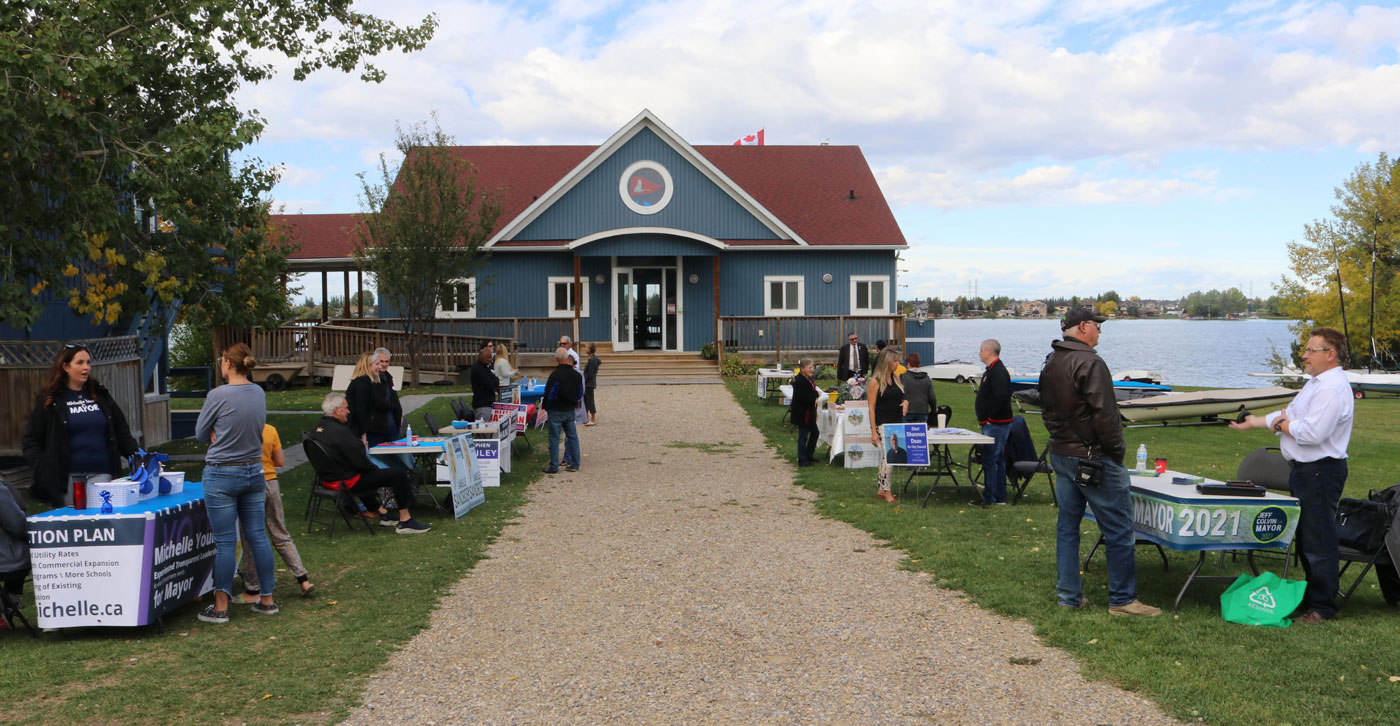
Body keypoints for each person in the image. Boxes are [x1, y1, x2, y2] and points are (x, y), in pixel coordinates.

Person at [1229, 327, 1354, 623]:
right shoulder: (1315, 383)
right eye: (1306, 350)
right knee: (1307, 538)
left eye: (1311, 350)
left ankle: (1323, 608)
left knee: (1318, 539)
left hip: (1321, 471)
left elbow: (1310, 432)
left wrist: (1283, 425)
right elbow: (1290, 414)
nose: (1304, 355)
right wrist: (1255, 422)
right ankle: (1311, 600)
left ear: (1330, 354)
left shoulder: (1331, 388)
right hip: (1305, 472)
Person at [1040, 310, 1160, 616]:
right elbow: (1106, 416)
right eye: (1098, 326)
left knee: (1068, 527)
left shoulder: (1052, 360)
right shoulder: (1090, 362)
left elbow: (1046, 409)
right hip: (1094, 457)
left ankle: (1069, 596)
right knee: (1119, 529)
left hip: (1062, 454)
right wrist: (1116, 452)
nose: (1100, 332)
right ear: (1083, 327)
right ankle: (1122, 600)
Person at [194, 343, 279, 623]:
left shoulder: (217, 395)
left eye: (221, 361)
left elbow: (199, 432)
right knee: (257, 535)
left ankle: (221, 607)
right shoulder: (258, 392)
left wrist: (215, 433)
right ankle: (266, 600)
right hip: (254, 471)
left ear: (228, 365)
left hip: (222, 473)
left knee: (225, 542)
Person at [21, 343, 139, 507]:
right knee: (73, 527)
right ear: (66, 366)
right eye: (80, 363)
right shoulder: (51, 400)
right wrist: (44, 469)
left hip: (101, 474)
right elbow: (31, 441)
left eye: (88, 363)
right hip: (67, 478)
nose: (86, 367)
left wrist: (139, 457)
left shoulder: (100, 395)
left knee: (101, 525)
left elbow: (121, 432)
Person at [307, 393, 432, 535]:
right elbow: (360, 461)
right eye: (346, 408)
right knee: (397, 474)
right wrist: (374, 469)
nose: (348, 411)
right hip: (346, 482)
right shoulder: (341, 432)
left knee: (364, 474)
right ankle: (405, 521)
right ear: (336, 410)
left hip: (328, 480)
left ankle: (383, 513)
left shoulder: (316, 430)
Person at [238, 423, 314, 600]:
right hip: (271, 484)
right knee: (280, 533)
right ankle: (302, 578)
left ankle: (252, 587)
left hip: (249, 485)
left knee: (249, 536)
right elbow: (280, 461)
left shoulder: (238, 430)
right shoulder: (270, 430)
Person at [974, 339, 1014, 506]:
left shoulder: (998, 372)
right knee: (997, 459)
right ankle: (999, 496)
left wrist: (990, 419)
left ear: (989, 351)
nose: (979, 353)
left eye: (981, 350)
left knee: (990, 459)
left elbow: (1001, 397)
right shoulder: (990, 370)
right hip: (992, 423)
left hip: (997, 424)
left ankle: (989, 497)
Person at [866, 348, 906, 503]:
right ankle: (887, 490)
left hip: (896, 423)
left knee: (887, 460)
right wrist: (873, 431)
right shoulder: (875, 381)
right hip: (883, 424)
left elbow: (901, 396)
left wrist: (906, 402)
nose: (897, 364)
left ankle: (881, 489)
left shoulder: (896, 378)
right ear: (886, 362)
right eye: (895, 361)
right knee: (889, 459)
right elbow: (871, 407)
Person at [346, 348, 403, 448]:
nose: (382, 365)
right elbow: (362, 409)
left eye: (386, 361)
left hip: (391, 428)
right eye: (378, 363)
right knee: (375, 459)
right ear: (368, 365)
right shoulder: (363, 382)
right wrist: (363, 434)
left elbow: (393, 398)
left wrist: (398, 413)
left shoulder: (386, 377)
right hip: (375, 430)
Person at [542, 348, 581, 474]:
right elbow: (580, 393)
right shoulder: (576, 375)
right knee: (572, 437)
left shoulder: (555, 375)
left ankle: (554, 465)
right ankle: (574, 463)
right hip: (570, 409)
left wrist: (546, 407)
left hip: (556, 410)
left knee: (554, 438)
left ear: (557, 359)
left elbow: (550, 394)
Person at [0, 482, 29, 627]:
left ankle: (8, 600)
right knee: (33, 553)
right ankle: (9, 600)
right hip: (6, 562)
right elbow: (17, 525)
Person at [790, 358, 820, 466]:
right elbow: (804, 397)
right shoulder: (800, 381)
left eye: (812, 367)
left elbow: (810, 392)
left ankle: (808, 455)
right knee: (803, 436)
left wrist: (815, 394)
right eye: (809, 368)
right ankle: (802, 460)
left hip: (809, 412)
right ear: (802, 369)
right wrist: (816, 394)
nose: (812, 369)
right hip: (803, 413)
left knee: (815, 433)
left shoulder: (808, 379)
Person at [899, 352, 936, 424]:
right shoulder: (926, 378)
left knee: (907, 433)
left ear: (908, 364)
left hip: (906, 411)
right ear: (919, 364)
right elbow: (932, 397)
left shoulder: (902, 377)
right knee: (920, 434)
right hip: (922, 411)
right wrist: (934, 409)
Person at [469, 343, 499, 422]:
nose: (491, 360)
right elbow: (492, 385)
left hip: (487, 404)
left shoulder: (485, 368)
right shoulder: (479, 369)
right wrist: (495, 381)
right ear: (483, 358)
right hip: (482, 406)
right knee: (484, 431)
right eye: (489, 358)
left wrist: (495, 381)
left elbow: (496, 380)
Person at [583, 342, 601, 426]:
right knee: (586, 400)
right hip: (589, 383)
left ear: (590, 350)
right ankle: (586, 418)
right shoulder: (593, 359)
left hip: (589, 384)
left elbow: (589, 374)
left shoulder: (592, 360)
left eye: (586, 348)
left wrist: (583, 381)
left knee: (590, 400)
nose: (585, 349)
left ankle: (593, 419)